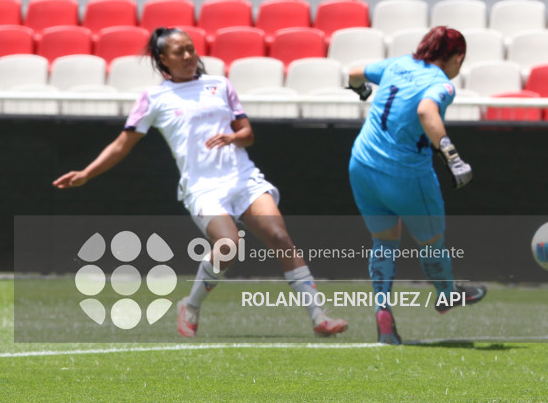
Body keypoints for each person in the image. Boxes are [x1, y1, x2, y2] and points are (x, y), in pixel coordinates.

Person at [54, 27, 347, 338]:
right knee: (228, 246)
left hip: (243, 178)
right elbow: (121, 145)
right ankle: (191, 305)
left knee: (280, 237)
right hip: (203, 187)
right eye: (179, 51)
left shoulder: (220, 85)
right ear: (162, 59)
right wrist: (86, 173)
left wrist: (233, 136)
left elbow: (248, 134)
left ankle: (319, 318)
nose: (188, 56)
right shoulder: (153, 98)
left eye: (191, 49)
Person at [346, 26, 486, 345]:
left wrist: (361, 91)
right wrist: (453, 159)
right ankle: (446, 295)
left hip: (363, 165)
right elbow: (426, 110)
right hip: (406, 177)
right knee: (431, 242)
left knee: (383, 242)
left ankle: (383, 313)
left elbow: (354, 73)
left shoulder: (397, 65)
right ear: (457, 57)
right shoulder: (442, 85)